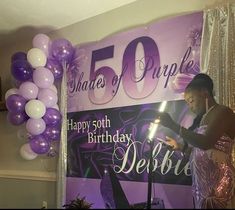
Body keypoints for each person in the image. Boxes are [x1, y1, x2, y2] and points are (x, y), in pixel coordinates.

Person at [156, 73, 235, 209]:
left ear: (205, 94)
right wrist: (180, 147)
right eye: (187, 103)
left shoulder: (223, 112)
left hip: (220, 188)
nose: (190, 107)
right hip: (203, 189)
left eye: (191, 100)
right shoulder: (204, 118)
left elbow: (206, 143)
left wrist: (173, 125)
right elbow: (204, 152)